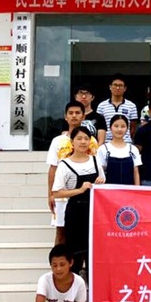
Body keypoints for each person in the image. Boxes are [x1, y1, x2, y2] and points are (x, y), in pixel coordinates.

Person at [52, 126, 105, 277]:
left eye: (86, 139)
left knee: (93, 250)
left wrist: (100, 183)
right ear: (72, 142)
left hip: (94, 212)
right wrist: (79, 190)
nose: (83, 142)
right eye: (79, 138)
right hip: (75, 212)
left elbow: (103, 183)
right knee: (74, 249)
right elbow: (56, 192)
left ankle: (92, 284)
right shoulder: (64, 164)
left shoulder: (95, 161)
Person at [47, 101, 98, 245]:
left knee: (84, 233)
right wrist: (50, 194)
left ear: (83, 116)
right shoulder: (57, 141)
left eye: (77, 113)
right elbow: (52, 168)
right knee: (61, 233)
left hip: (84, 197)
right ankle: (59, 259)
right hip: (63, 195)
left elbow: (96, 166)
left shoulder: (91, 141)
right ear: (65, 116)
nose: (74, 116)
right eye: (71, 113)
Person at [97, 114, 142, 185]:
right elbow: (100, 172)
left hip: (129, 189)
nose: (119, 129)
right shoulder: (103, 149)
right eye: (116, 126)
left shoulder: (133, 149)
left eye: (123, 126)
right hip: (109, 189)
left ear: (127, 129)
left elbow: (136, 173)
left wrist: (137, 189)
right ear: (110, 127)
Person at [96, 73, 138, 143]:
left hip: (126, 142)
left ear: (125, 88)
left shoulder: (132, 106)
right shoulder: (101, 106)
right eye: (115, 85)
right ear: (110, 87)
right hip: (106, 143)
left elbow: (133, 128)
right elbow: (99, 127)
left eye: (120, 85)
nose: (118, 88)